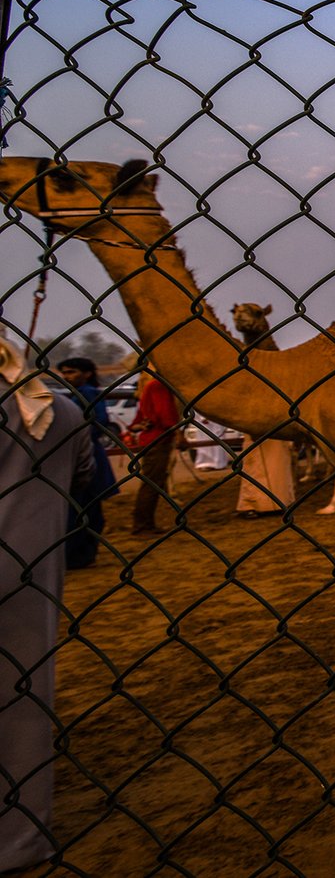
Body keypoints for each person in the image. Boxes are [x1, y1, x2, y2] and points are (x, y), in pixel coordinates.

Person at [2, 329, 95, 871]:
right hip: (29, 573)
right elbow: (84, 476)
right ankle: (19, 839)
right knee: (22, 700)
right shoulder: (62, 411)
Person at [53, 357, 119, 569]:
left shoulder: (87, 393)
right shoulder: (76, 395)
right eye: (64, 372)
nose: (66, 376)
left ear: (87, 373)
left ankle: (78, 555)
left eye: (71, 372)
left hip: (86, 455)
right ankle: (80, 554)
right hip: (83, 454)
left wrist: (77, 437)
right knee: (85, 508)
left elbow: (99, 421)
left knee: (83, 508)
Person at [126, 371, 180, 536]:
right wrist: (178, 432)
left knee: (152, 482)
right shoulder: (160, 386)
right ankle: (143, 524)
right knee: (152, 483)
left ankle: (144, 522)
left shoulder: (150, 388)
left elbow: (136, 422)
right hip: (159, 439)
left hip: (151, 439)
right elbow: (166, 416)